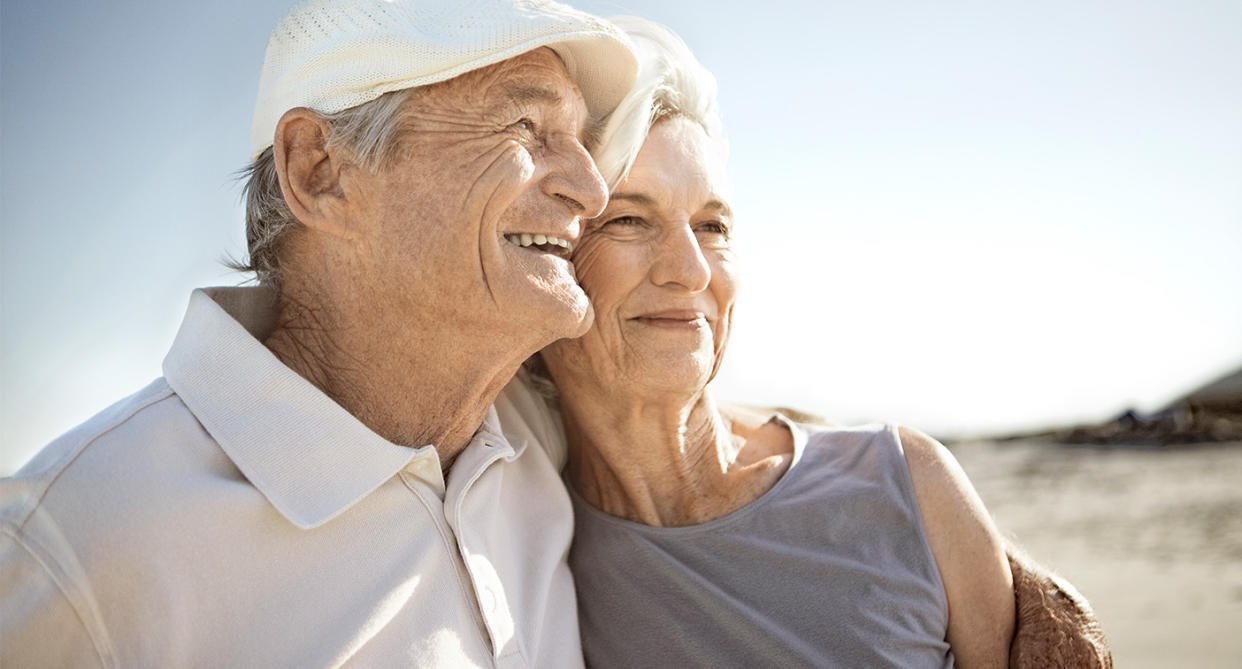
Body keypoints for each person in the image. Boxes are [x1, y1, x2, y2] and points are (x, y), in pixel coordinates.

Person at [0, 0, 636, 666]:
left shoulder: (547, 438)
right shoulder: (75, 545)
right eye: (526, 126)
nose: (593, 191)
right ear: (320, 172)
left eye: (581, 141)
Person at [531, 16, 1026, 667]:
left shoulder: (907, 483)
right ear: (546, 258)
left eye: (712, 225)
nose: (691, 269)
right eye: (629, 218)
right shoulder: (523, 542)